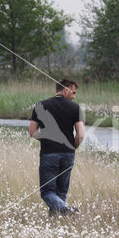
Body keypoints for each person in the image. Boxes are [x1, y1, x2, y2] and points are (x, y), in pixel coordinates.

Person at [29, 78, 85, 216]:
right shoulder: (75, 108)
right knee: (61, 192)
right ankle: (58, 220)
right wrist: (73, 147)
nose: (74, 96)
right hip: (68, 154)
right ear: (65, 90)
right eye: (73, 92)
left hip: (49, 154)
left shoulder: (40, 105)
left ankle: (66, 210)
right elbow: (81, 134)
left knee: (47, 192)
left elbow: (32, 132)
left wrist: (46, 140)